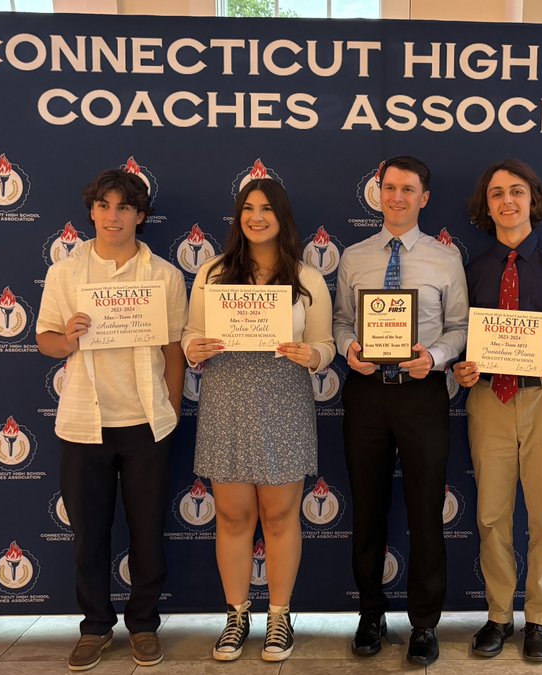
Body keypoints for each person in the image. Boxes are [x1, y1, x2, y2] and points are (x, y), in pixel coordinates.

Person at [36, 169, 187, 671]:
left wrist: (167, 409)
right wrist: (69, 338)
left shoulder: (164, 275)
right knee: (90, 535)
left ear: (140, 216)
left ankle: (143, 625)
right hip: (84, 424)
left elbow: (173, 351)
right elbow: (46, 341)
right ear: (91, 211)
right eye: (104, 205)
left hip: (147, 425)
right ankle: (95, 626)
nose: (113, 215)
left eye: (124, 207)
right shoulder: (66, 273)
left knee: (147, 533)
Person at [181, 179, 335, 662]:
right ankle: (236, 616)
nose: (257, 217)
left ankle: (280, 618)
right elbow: (190, 334)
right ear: (238, 217)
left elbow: (327, 345)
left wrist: (313, 355)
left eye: (267, 208)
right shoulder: (212, 271)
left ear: (282, 216)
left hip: (284, 401)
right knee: (232, 515)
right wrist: (192, 349)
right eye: (248, 208)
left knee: (280, 515)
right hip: (226, 400)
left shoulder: (307, 278)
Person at [452, 159, 542, 661]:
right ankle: (498, 616)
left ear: (533, 200)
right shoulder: (473, 271)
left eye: (516, 192)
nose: (506, 201)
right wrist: (462, 370)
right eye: (496, 194)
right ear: (485, 208)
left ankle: (540, 618)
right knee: (492, 514)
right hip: (489, 400)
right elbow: (461, 339)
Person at [332, 155, 469, 666]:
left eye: (408, 190)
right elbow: (342, 321)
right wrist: (348, 350)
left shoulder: (444, 258)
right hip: (367, 394)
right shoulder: (354, 256)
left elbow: (459, 327)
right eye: (389, 188)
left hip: (422, 394)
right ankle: (371, 614)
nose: (397, 197)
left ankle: (425, 625)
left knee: (425, 513)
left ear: (424, 198)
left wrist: (432, 358)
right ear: (378, 193)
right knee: (368, 510)